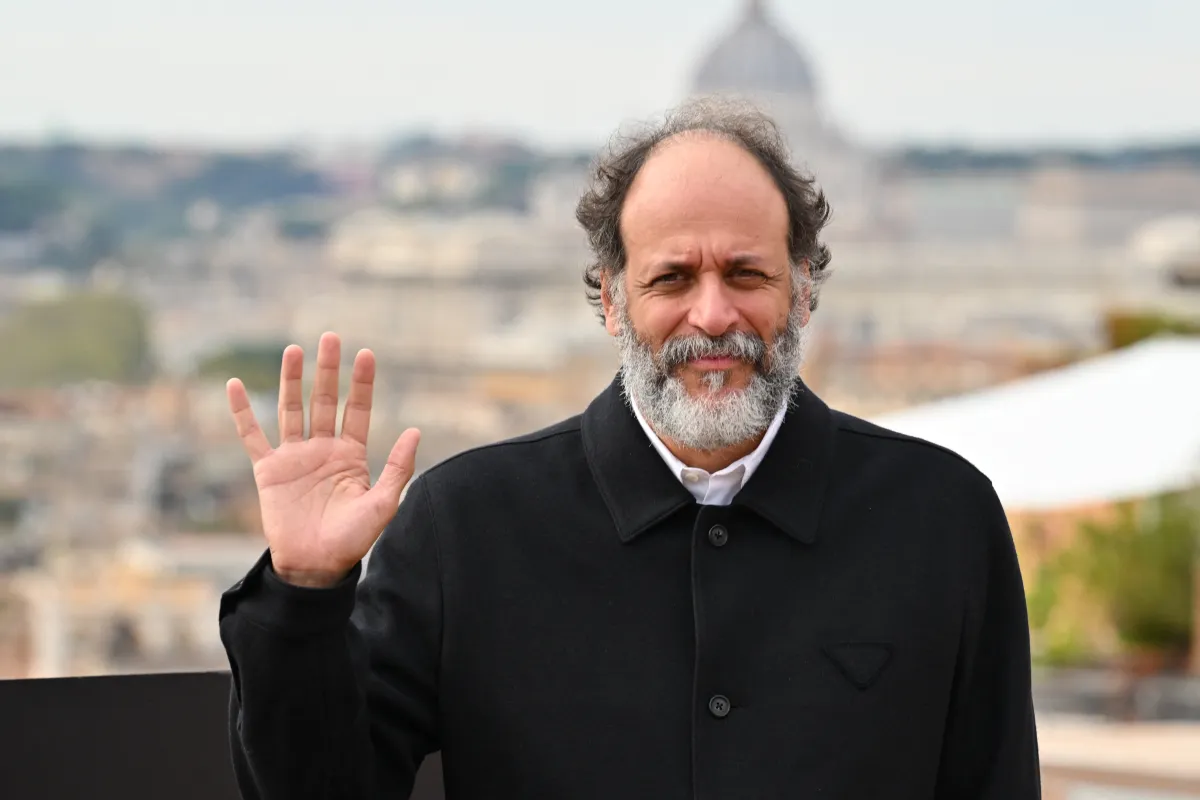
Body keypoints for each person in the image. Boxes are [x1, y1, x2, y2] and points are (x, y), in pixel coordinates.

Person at [218, 97, 1041, 799]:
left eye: (746, 275)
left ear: (804, 290)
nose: (712, 315)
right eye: (672, 278)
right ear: (611, 301)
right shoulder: (462, 527)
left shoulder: (942, 520)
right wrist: (304, 594)